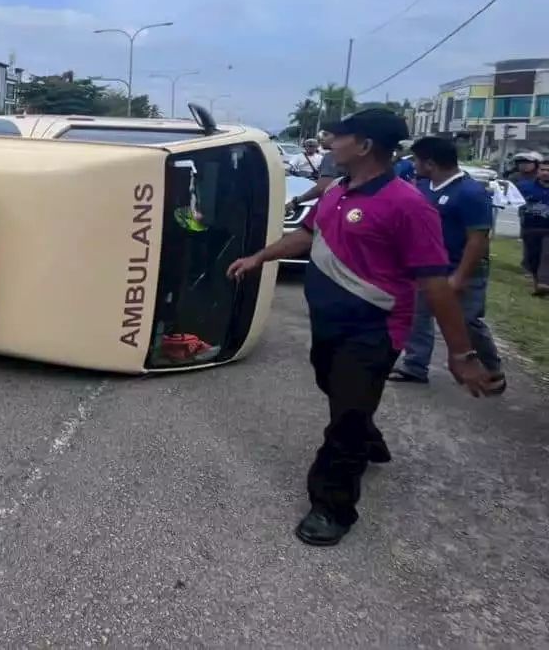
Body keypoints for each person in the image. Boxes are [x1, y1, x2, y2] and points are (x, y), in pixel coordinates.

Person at [227, 108, 490, 547]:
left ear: (366, 145)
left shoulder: (408, 205)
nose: (329, 141)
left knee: (345, 414)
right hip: (329, 322)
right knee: (335, 388)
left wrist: (460, 354)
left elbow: (436, 285)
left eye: (339, 136)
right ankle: (368, 436)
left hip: (374, 329)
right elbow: (308, 235)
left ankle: (332, 506)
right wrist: (260, 256)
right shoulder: (336, 193)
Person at [389, 137, 505, 391]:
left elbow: (477, 240)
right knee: (417, 316)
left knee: (468, 322)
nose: (414, 165)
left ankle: (492, 370)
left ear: (430, 163)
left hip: (461, 269)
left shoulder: (470, 192)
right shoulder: (423, 186)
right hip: (428, 269)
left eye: (417, 160)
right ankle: (415, 366)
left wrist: (461, 276)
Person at [516, 161, 549, 294]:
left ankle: (544, 281)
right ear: (538, 171)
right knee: (533, 258)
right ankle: (537, 284)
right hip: (530, 228)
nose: (546, 173)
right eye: (543, 170)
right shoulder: (525, 187)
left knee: (547, 254)